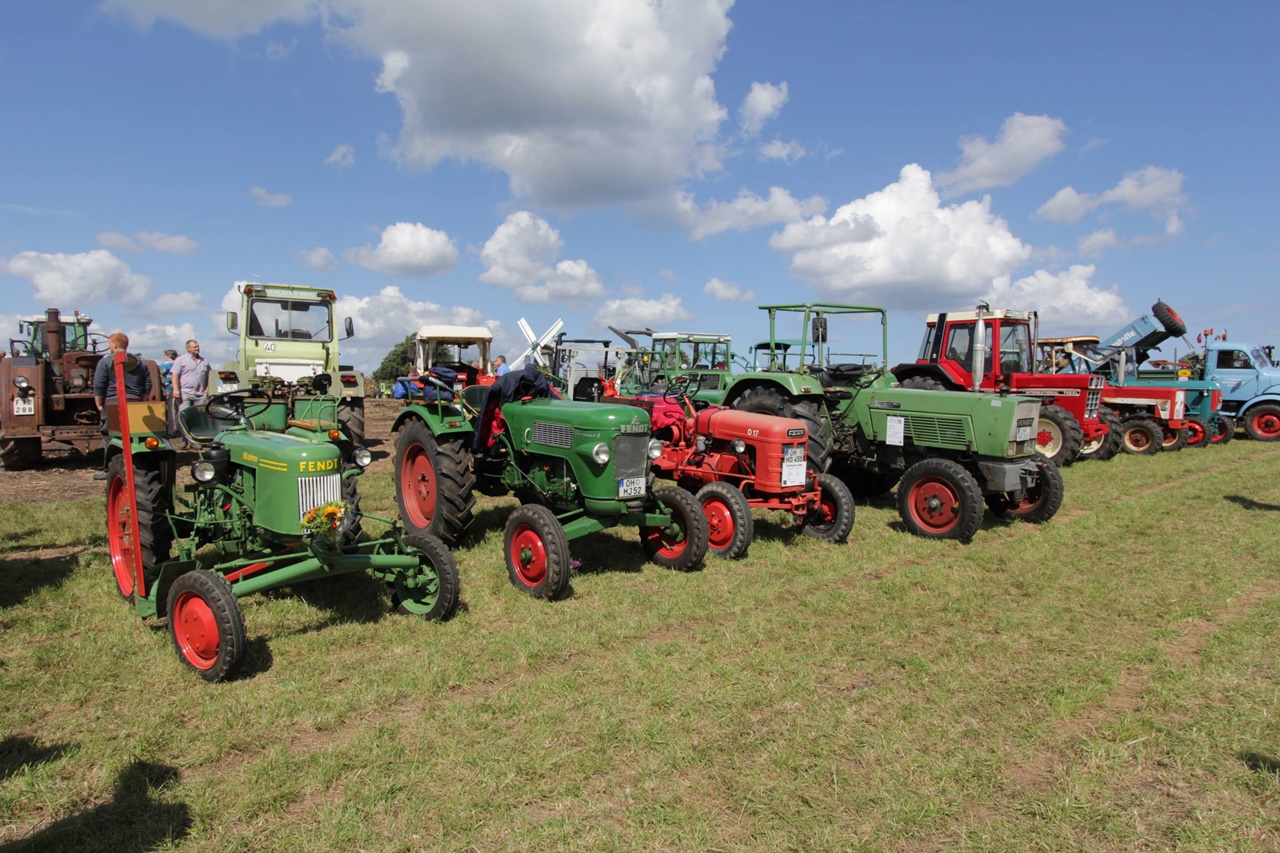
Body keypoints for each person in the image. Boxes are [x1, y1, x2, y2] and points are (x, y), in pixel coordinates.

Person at [91, 332, 153, 479]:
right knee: (135, 434)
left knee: (109, 434)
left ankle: (110, 469)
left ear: (115, 344)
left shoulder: (105, 361)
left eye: (109, 344)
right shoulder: (139, 362)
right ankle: (136, 464)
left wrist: (98, 403)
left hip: (113, 402)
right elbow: (148, 382)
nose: (109, 346)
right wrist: (142, 398)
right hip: (135, 402)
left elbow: (99, 383)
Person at [170, 339, 212, 450]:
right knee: (184, 416)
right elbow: (175, 375)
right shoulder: (180, 360)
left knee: (198, 418)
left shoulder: (204, 361)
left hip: (199, 394)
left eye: (198, 346)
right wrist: (176, 390)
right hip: (185, 392)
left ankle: (196, 441)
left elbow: (210, 375)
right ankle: (185, 440)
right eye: (194, 347)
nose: (197, 348)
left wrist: (207, 389)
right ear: (188, 349)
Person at [159, 348, 178, 437]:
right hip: (177, 388)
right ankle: (175, 429)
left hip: (167, 388)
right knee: (175, 409)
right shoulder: (177, 364)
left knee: (168, 409)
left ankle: (169, 430)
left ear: (167, 356)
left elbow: (161, 374)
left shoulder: (166, 365)